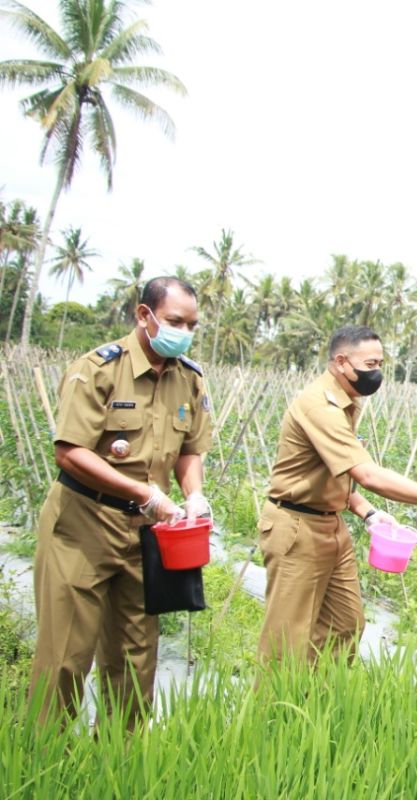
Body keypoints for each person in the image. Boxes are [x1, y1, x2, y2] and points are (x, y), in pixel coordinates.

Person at [30, 276, 211, 728]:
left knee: (135, 657)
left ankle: (119, 759)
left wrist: (193, 495)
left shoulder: (188, 379)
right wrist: (145, 492)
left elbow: (190, 450)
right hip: (83, 523)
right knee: (66, 657)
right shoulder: (97, 369)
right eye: (174, 321)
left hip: (148, 534)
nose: (184, 332)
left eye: (191, 324)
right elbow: (70, 452)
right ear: (144, 315)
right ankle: (42, 757)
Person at [257, 325, 417, 665]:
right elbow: (366, 474)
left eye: (379, 363)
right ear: (341, 362)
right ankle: (273, 713)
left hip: (330, 526)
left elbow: (332, 473)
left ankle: (315, 706)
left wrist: (368, 512)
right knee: (287, 640)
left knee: (345, 624)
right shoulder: (320, 405)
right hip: (296, 527)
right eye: (369, 364)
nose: (376, 373)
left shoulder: (348, 403)